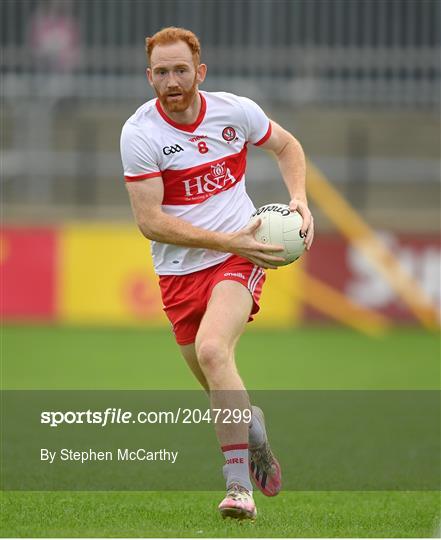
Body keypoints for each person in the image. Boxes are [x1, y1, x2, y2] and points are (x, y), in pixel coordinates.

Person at [120, 27, 314, 520]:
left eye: (180, 69)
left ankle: (237, 490)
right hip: (179, 273)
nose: (171, 80)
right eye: (161, 72)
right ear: (149, 77)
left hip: (240, 255)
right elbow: (151, 222)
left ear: (199, 72)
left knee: (212, 349)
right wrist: (226, 241)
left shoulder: (235, 111)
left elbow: (288, 146)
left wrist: (298, 200)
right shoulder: (140, 134)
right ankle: (251, 425)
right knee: (216, 379)